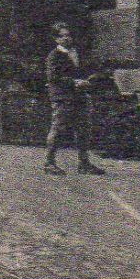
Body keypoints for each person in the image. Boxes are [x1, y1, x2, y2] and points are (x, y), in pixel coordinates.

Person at [45, 22, 106, 175]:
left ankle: (84, 164)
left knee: (84, 130)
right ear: (56, 39)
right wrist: (74, 82)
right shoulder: (53, 56)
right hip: (63, 98)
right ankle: (49, 163)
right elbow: (53, 77)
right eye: (62, 36)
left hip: (79, 97)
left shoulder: (76, 53)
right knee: (57, 130)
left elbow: (84, 70)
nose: (66, 38)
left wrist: (90, 78)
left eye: (68, 35)